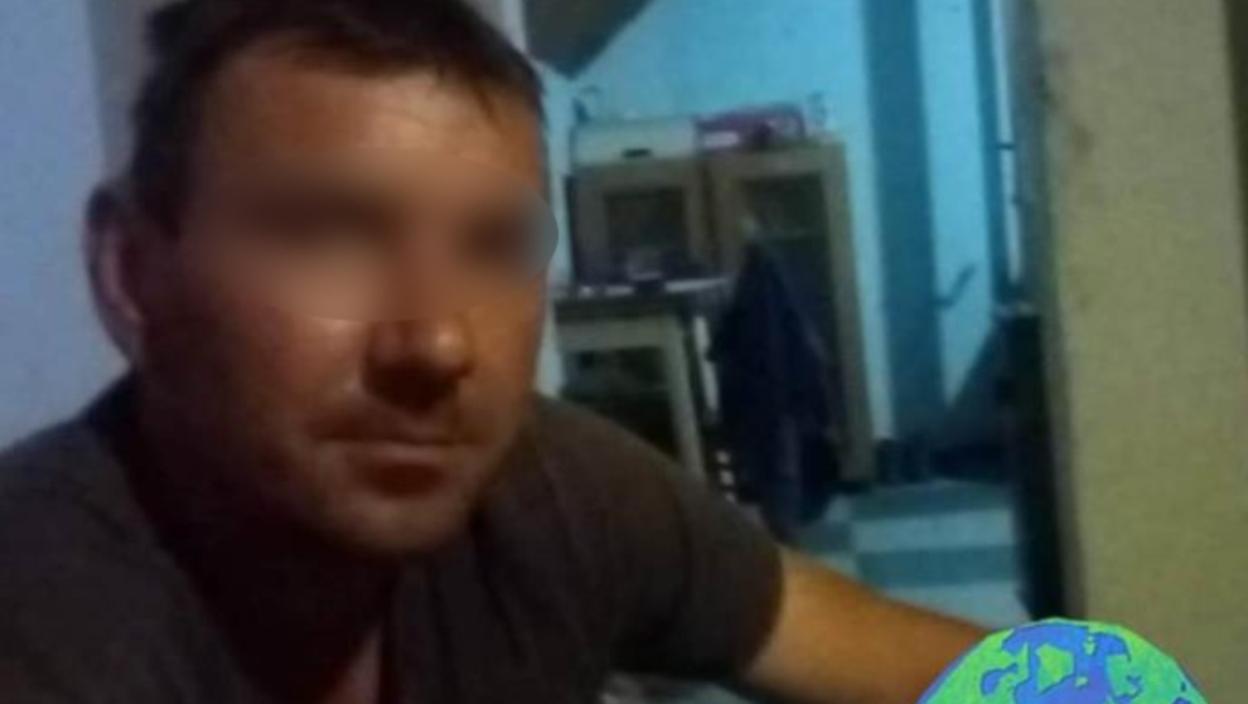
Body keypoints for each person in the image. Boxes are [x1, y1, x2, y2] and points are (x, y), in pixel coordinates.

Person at [0, 1, 985, 702]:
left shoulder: (546, 486)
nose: (437, 342)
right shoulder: (44, 622)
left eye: (494, 247)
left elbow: (928, 664)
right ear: (132, 272)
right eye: (327, 235)